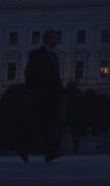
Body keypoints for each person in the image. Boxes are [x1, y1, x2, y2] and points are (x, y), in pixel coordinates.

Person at [20, 28, 65, 162]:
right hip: (40, 95)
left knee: (50, 124)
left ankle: (49, 153)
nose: (56, 41)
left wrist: (61, 92)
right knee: (40, 125)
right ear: (46, 39)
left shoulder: (54, 56)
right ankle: (25, 148)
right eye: (54, 38)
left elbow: (56, 77)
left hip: (52, 96)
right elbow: (29, 73)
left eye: (56, 38)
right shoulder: (36, 54)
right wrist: (29, 92)